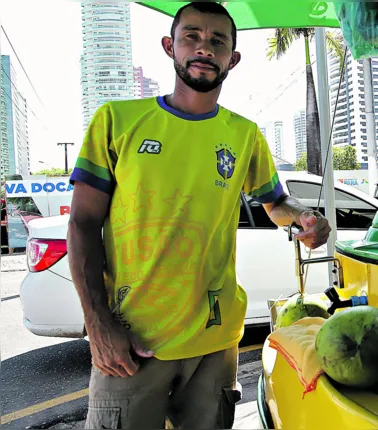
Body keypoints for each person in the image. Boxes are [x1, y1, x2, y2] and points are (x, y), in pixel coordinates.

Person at [67, 3, 331, 429]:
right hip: (132, 341)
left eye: (217, 40)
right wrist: (98, 327)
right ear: (170, 47)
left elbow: (275, 203)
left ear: (233, 58)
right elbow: (81, 224)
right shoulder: (117, 121)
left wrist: (304, 218)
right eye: (191, 36)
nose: (203, 47)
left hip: (216, 341)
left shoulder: (244, 134)